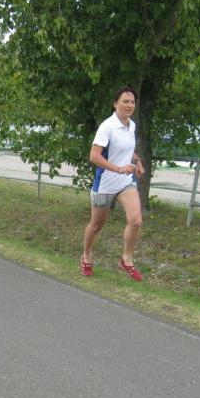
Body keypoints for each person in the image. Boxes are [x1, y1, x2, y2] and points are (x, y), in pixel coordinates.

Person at [81, 86, 146, 281]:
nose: (129, 105)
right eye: (125, 101)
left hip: (126, 181)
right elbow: (94, 156)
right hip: (105, 184)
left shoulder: (131, 125)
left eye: (132, 102)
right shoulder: (107, 127)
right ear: (115, 103)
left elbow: (127, 149)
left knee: (136, 220)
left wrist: (137, 161)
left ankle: (126, 260)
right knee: (96, 225)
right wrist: (118, 169)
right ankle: (86, 257)